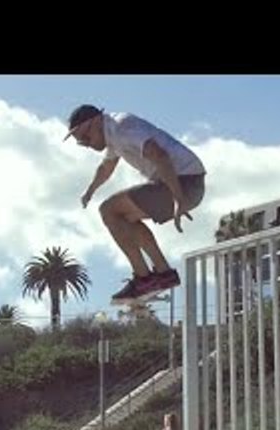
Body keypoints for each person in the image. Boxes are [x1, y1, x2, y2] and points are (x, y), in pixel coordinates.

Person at [64, 104, 207, 304]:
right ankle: (164, 274)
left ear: (95, 122)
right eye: (81, 143)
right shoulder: (112, 134)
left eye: (85, 138)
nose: (87, 144)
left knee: (109, 210)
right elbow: (107, 166)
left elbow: (160, 156)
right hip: (179, 182)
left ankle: (144, 279)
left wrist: (178, 198)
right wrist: (90, 190)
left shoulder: (122, 128)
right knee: (123, 217)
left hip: (183, 182)